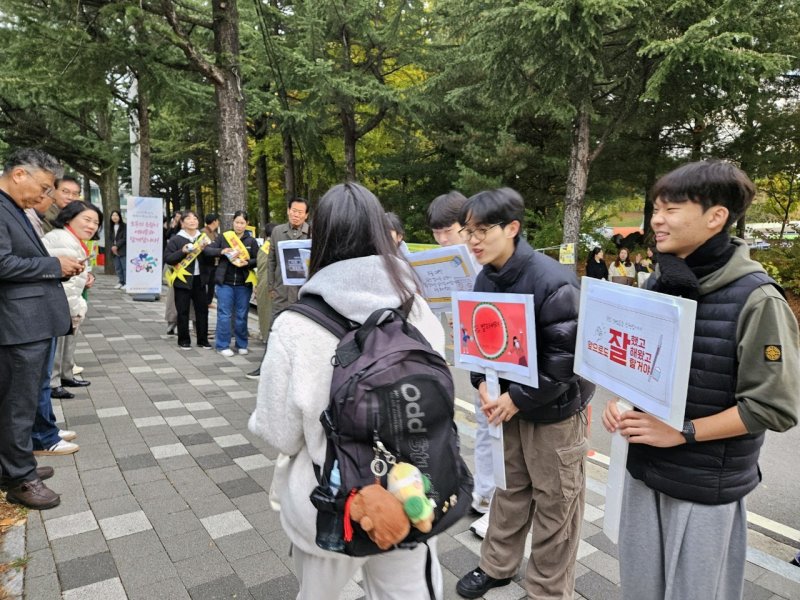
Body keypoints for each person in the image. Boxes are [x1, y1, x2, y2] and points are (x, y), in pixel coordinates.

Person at [602, 160, 799, 600]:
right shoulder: (660, 281)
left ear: (716, 217)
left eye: (671, 208)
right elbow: (640, 366)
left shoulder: (758, 299)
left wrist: (683, 433)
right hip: (643, 470)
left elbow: (773, 407)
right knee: (640, 589)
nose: (656, 219)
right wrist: (621, 404)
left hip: (704, 487)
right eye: (655, 207)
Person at [248, 182, 445, 599]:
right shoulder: (417, 308)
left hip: (331, 503)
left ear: (319, 240)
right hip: (409, 491)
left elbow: (280, 434)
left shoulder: (295, 324)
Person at [455, 188, 591, 600]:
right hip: (506, 404)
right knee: (508, 488)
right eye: (468, 231)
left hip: (554, 413)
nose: (473, 240)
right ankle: (496, 565)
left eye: (482, 230)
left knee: (557, 503)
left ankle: (547, 590)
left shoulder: (553, 280)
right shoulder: (484, 277)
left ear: (512, 228)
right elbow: (477, 338)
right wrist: (480, 383)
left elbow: (564, 360)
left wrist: (517, 399)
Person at [0, 148, 83, 509]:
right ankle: (20, 478)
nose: (46, 196)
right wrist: (53, 266)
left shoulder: (14, 209)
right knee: (17, 405)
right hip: (18, 324)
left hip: (29, 323)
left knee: (23, 400)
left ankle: (15, 466)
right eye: (45, 187)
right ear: (20, 174)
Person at [24, 192, 79, 459]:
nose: (58, 199)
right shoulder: (35, 223)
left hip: (44, 307)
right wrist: (56, 265)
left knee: (43, 378)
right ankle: (42, 436)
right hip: (29, 311)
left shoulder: (38, 219)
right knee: (38, 378)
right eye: (50, 190)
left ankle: (47, 429)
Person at [46, 201, 99, 400]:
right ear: (69, 218)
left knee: (68, 341)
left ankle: (65, 375)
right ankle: (53, 382)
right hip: (62, 302)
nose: (92, 226)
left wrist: (87, 277)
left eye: (95, 222)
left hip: (70, 299)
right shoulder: (62, 239)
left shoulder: (73, 239)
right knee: (59, 342)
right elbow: (65, 281)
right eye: (87, 220)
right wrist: (75, 309)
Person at [205, 210, 259, 356]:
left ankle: (241, 343)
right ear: (233, 222)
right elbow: (208, 250)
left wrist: (247, 263)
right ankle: (222, 345)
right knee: (224, 314)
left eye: (242, 223)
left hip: (243, 284)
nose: (239, 225)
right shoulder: (224, 237)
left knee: (242, 315)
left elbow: (258, 259)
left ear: (247, 224)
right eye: (237, 222)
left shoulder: (251, 241)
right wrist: (222, 251)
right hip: (225, 283)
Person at [164, 210, 211, 350]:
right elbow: (168, 259)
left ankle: (203, 340)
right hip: (182, 280)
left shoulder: (203, 238)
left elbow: (210, 257)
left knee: (202, 310)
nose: (192, 220)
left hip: (200, 280)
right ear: (182, 223)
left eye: (195, 218)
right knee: (182, 311)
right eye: (188, 218)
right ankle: (184, 340)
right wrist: (182, 251)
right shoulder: (176, 239)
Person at [268, 197, 311, 318]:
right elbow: (271, 260)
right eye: (294, 210)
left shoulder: (312, 233)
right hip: (281, 289)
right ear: (288, 211)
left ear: (306, 215)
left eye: (300, 212)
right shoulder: (277, 231)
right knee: (277, 321)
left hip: (303, 290)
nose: (296, 215)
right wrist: (271, 286)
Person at [246, 222, 278, 381]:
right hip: (270, 290)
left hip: (268, 291)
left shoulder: (266, 247)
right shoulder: (271, 247)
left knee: (269, 326)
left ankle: (267, 367)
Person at [199, 213, 220, 306]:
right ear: (214, 221)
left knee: (212, 282)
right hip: (206, 261)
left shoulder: (215, 233)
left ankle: (208, 301)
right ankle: (203, 301)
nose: (218, 222)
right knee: (205, 282)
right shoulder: (203, 232)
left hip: (214, 262)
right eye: (217, 220)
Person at [109, 210, 127, 289]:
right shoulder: (111, 227)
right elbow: (110, 239)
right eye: (113, 215)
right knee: (118, 268)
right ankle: (121, 282)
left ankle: (127, 283)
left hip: (122, 250)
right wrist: (113, 247)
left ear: (120, 217)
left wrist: (117, 246)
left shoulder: (124, 226)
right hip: (114, 250)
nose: (114, 217)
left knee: (124, 267)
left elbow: (124, 238)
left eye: (116, 215)